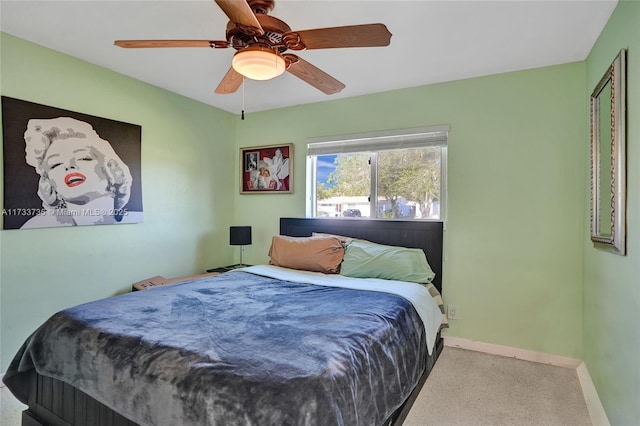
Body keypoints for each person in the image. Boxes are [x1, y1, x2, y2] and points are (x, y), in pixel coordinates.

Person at [21, 117, 136, 228]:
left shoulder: (135, 221)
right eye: (55, 164)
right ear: (49, 182)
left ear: (111, 170)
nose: (68, 166)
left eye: (83, 158)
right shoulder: (35, 226)